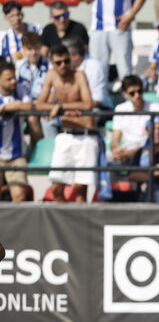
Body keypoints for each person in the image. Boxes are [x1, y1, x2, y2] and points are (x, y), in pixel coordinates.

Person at [35, 44, 97, 203]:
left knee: (81, 190)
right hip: (66, 134)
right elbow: (39, 104)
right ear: (52, 63)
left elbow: (88, 104)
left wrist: (61, 107)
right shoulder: (51, 76)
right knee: (56, 187)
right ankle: (63, 225)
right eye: (58, 62)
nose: (63, 65)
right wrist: (61, 109)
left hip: (85, 135)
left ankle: (80, 226)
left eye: (66, 61)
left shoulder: (79, 75)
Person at [83, 0, 146, 80]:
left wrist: (130, 15)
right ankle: (100, 100)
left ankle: (127, 99)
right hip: (98, 27)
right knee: (98, 72)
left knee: (125, 71)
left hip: (120, 26)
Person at [0, 60, 35, 203]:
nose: (14, 81)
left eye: (14, 77)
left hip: (16, 155)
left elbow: (29, 106)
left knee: (20, 196)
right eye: (9, 79)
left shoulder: (21, 89)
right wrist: (10, 107)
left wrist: (7, 107)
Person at [111, 75, 159, 168]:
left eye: (140, 91)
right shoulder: (120, 109)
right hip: (127, 150)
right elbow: (115, 138)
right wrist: (116, 149)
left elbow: (156, 142)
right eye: (132, 93)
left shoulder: (155, 108)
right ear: (125, 94)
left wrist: (129, 153)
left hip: (148, 150)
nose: (137, 95)